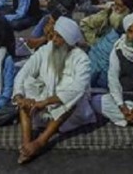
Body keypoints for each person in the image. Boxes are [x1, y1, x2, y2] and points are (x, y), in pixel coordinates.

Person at [13, 16, 95, 165]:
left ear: (69, 40)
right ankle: (26, 142)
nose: (53, 39)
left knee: (69, 99)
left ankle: (40, 143)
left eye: (58, 36)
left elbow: (77, 89)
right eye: (54, 35)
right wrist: (19, 97)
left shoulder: (81, 59)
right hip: (43, 104)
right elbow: (24, 72)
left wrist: (46, 102)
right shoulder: (46, 49)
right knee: (26, 85)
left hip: (68, 112)